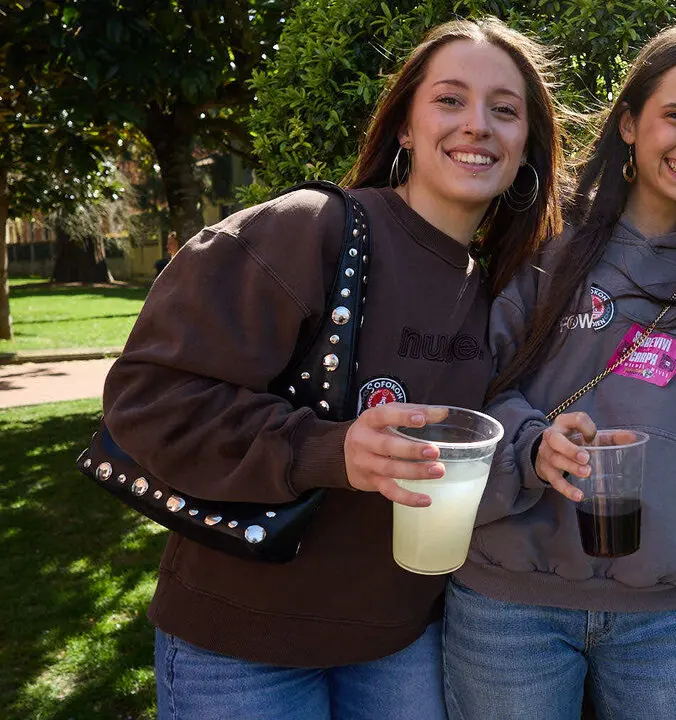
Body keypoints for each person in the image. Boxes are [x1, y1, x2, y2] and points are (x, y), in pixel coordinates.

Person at [101, 18, 563, 720]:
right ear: (403, 127)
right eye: (449, 100)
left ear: (527, 143)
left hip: (401, 640)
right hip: (242, 642)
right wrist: (330, 448)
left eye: (504, 110)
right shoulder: (311, 229)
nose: (478, 125)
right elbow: (147, 397)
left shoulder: (504, 289)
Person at [441, 23, 676, 720]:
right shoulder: (544, 245)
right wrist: (533, 444)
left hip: (671, 614)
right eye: (675, 117)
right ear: (628, 123)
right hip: (511, 603)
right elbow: (466, 392)